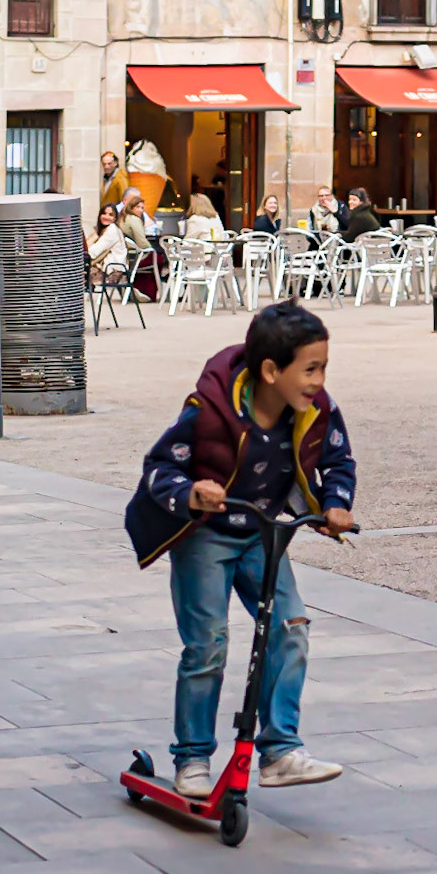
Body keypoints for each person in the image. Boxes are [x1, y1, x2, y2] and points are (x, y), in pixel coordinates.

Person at [124, 302, 357, 797]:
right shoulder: (209, 410)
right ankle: (191, 758)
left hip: (262, 532)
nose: (318, 380)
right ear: (271, 371)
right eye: (310, 369)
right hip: (205, 535)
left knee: (290, 630)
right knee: (208, 647)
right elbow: (159, 467)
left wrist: (336, 504)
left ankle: (280, 751)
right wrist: (190, 493)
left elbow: (338, 459)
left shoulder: (318, 410)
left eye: (323, 368)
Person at [89, 203, 129, 285]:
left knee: (73, 274)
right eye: (104, 213)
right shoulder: (105, 229)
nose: (106, 217)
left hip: (112, 273)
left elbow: (92, 252)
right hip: (106, 270)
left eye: (110, 215)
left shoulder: (112, 230)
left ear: (115, 218)